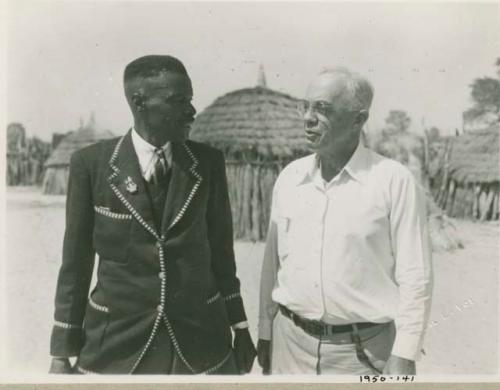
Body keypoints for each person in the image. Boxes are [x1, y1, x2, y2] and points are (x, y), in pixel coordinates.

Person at [49, 55, 256, 375]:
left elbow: (222, 255)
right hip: (115, 348)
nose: (191, 110)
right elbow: (76, 264)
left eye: (190, 99)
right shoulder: (91, 165)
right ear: (139, 102)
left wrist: (240, 326)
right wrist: (61, 352)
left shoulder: (208, 163)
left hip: (201, 346)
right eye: (178, 100)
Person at [257, 67, 433, 375]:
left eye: (322, 109)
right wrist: (265, 330)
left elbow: (416, 276)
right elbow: (272, 264)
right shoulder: (289, 177)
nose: (308, 117)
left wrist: (405, 352)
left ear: (358, 119)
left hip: (361, 354)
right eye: (306, 106)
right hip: (290, 347)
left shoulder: (393, 181)